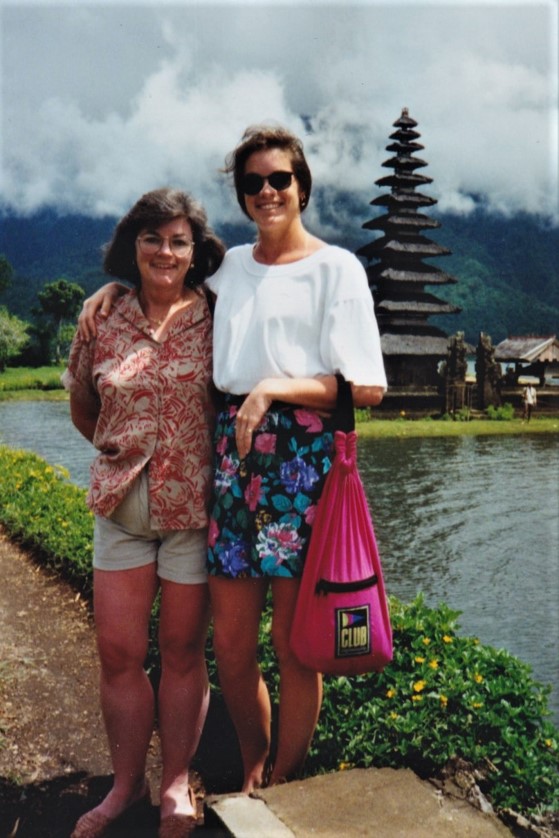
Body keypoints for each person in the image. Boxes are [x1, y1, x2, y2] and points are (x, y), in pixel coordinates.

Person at [77, 124, 387, 794]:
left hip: (302, 462)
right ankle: (252, 762)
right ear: (241, 196)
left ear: (301, 185)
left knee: (295, 644)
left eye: (280, 179)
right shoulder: (229, 269)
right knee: (232, 646)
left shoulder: (336, 269)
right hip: (229, 461)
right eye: (253, 183)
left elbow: (366, 386)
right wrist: (109, 294)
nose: (267, 191)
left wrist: (273, 387)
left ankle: (283, 777)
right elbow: (164, 279)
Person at [63, 187, 224, 838]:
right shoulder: (101, 317)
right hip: (121, 507)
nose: (165, 250)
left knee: (183, 650)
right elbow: (80, 401)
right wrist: (117, 451)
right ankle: (125, 787)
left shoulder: (216, 312)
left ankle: (177, 782)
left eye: (178, 240)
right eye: (152, 237)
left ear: (195, 252)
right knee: (118, 652)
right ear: (133, 245)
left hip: (193, 506)